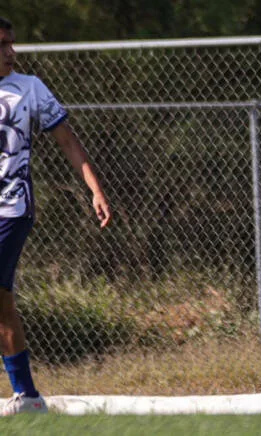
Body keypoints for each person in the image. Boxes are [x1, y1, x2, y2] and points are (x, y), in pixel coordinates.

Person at [0, 17, 112, 415]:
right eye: (2, 45)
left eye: (11, 44)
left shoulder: (29, 88)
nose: (11, 52)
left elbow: (67, 140)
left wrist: (95, 189)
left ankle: (27, 395)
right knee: (3, 302)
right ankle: (27, 396)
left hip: (11, 208)